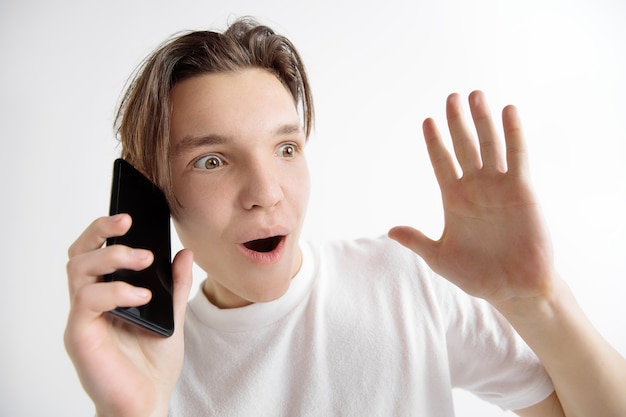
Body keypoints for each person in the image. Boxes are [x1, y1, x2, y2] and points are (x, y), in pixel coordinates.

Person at [64, 17, 626, 417]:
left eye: (286, 148)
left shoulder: (403, 282)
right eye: (212, 160)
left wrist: (541, 302)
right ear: (155, 194)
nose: (266, 192)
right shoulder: (156, 365)